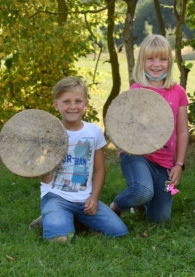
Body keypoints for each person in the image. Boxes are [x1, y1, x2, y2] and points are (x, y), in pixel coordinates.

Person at [38, 76, 128, 242]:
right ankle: (52, 215)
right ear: (56, 105)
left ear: (85, 104)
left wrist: (93, 199)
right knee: (61, 240)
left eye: (78, 101)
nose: (73, 107)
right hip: (56, 197)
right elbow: (45, 178)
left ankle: (68, 219)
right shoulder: (49, 134)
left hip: (84, 199)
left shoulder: (93, 132)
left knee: (119, 232)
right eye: (66, 102)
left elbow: (100, 169)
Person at [109, 35, 189, 222]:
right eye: (150, 59)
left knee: (161, 219)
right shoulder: (136, 90)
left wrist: (179, 164)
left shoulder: (178, 92)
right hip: (137, 156)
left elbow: (182, 131)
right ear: (142, 62)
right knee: (142, 191)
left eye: (162, 59)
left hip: (165, 163)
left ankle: (143, 201)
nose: (156, 64)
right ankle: (115, 206)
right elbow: (123, 126)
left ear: (169, 62)